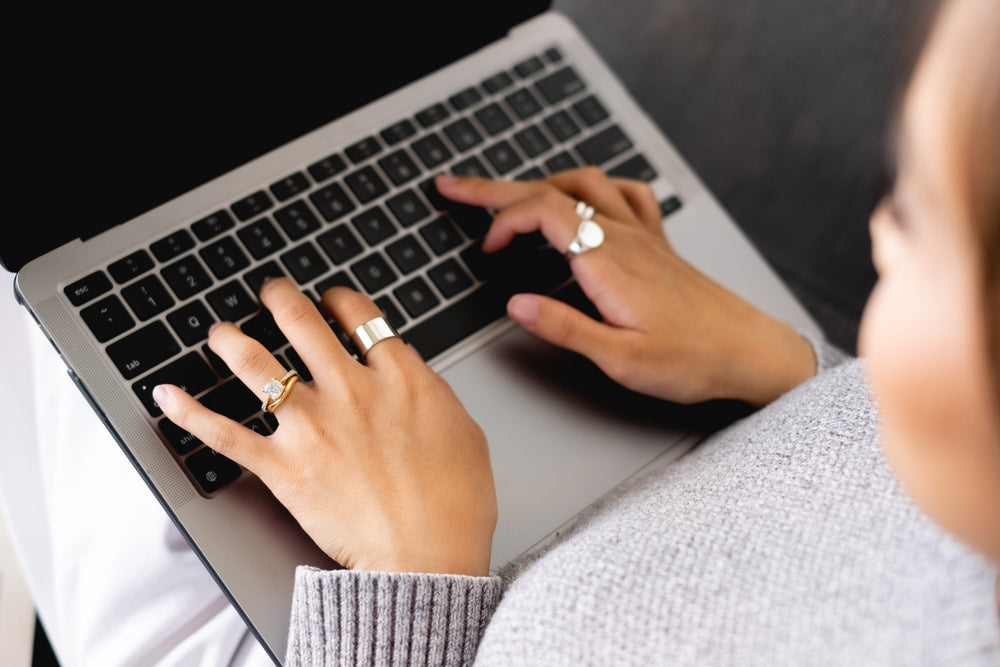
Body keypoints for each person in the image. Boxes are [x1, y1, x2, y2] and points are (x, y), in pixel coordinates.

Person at [3, 0, 998, 663]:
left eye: (909, 210)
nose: (878, 228)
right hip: (667, 448)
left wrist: (408, 579)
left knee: (54, 336)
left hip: (377, 613)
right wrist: (783, 369)